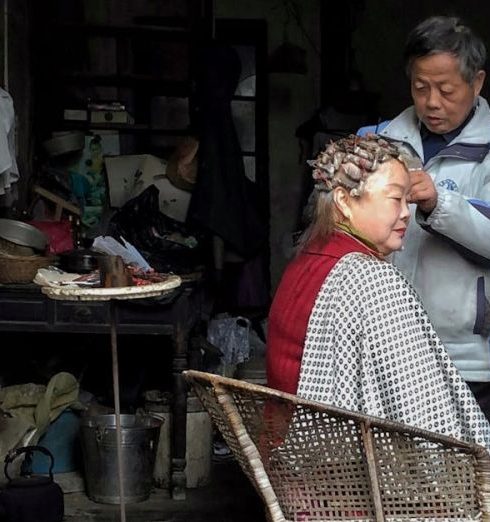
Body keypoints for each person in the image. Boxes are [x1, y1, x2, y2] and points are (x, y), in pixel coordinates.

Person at [266, 133, 490, 449]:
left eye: (406, 201)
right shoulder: (369, 278)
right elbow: (426, 415)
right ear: (344, 202)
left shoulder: (306, 259)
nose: (406, 213)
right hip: (338, 473)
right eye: (394, 199)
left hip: (291, 456)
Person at [358, 16, 490, 418]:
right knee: (399, 473)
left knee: (470, 475)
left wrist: (439, 204)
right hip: (390, 348)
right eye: (420, 87)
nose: (432, 102)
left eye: (446, 90)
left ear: (477, 82)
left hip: (467, 355)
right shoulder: (379, 142)